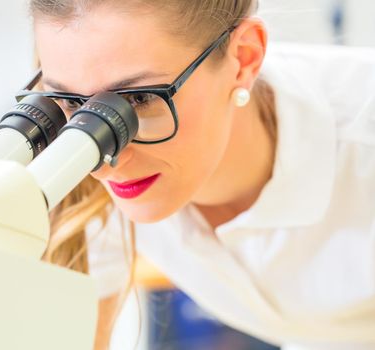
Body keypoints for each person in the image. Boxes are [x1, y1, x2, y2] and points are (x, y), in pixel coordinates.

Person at [26, 0, 375, 349]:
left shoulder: (363, 140)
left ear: (245, 58)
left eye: (140, 98)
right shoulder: (92, 176)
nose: (101, 164)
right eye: (70, 102)